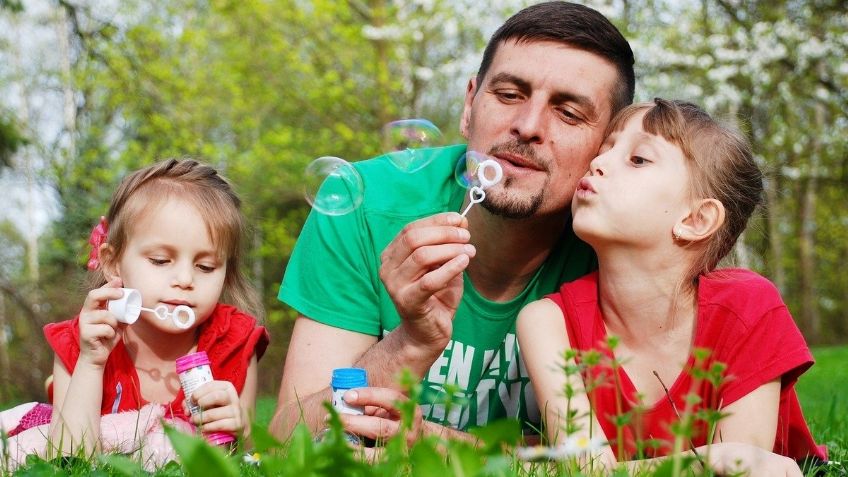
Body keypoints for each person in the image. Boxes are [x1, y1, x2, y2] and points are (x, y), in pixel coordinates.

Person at [271, 1, 635, 443]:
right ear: (469, 105)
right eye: (509, 95)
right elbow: (286, 439)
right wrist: (411, 342)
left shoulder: (624, 243)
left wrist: (444, 448)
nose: (527, 126)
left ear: (608, 147)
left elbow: (623, 456)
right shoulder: (361, 202)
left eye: (568, 113)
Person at [517, 99, 826, 476]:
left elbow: (746, 468)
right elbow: (586, 469)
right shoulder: (546, 321)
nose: (598, 162)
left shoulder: (748, 307)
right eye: (605, 149)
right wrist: (711, 458)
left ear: (696, 219)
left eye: (638, 159)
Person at [34, 158, 268, 456]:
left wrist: (242, 431)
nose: (185, 279)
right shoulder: (82, 341)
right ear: (113, 263)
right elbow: (67, 460)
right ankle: (56, 395)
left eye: (206, 266)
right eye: (160, 261)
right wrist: (90, 364)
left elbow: (250, 461)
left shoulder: (234, 343)